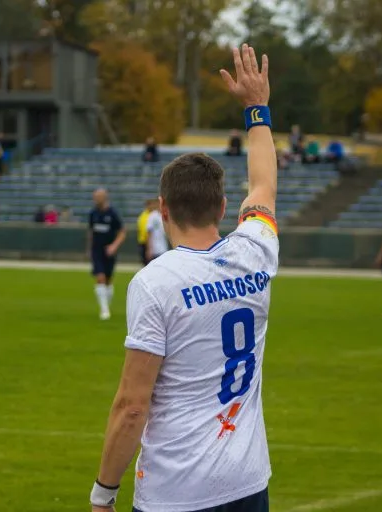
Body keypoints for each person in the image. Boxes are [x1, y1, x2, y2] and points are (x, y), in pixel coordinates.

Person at [90, 44, 276, 512]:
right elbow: (263, 185)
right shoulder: (256, 251)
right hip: (249, 482)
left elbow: (133, 406)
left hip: (177, 491)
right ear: (221, 207)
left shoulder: (155, 282)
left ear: (164, 209)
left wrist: (103, 493)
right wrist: (257, 109)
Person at [87, 188, 126, 320]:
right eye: (95, 197)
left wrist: (114, 246)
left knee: (108, 280)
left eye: (98, 197)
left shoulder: (112, 213)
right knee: (100, 278)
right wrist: (89, 248)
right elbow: (91, 231)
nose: (96, 199)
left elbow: (122, 232)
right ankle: (104, 310)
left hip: (109, 252)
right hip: (97, 251)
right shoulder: (93, 213)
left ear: (105, 197)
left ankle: (106, 305)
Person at [136, 199, 154, 265]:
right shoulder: (145, 216)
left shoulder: (150, 215)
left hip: (146, 242)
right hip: (145, 242)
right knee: (147, 262)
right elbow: (145, 231)